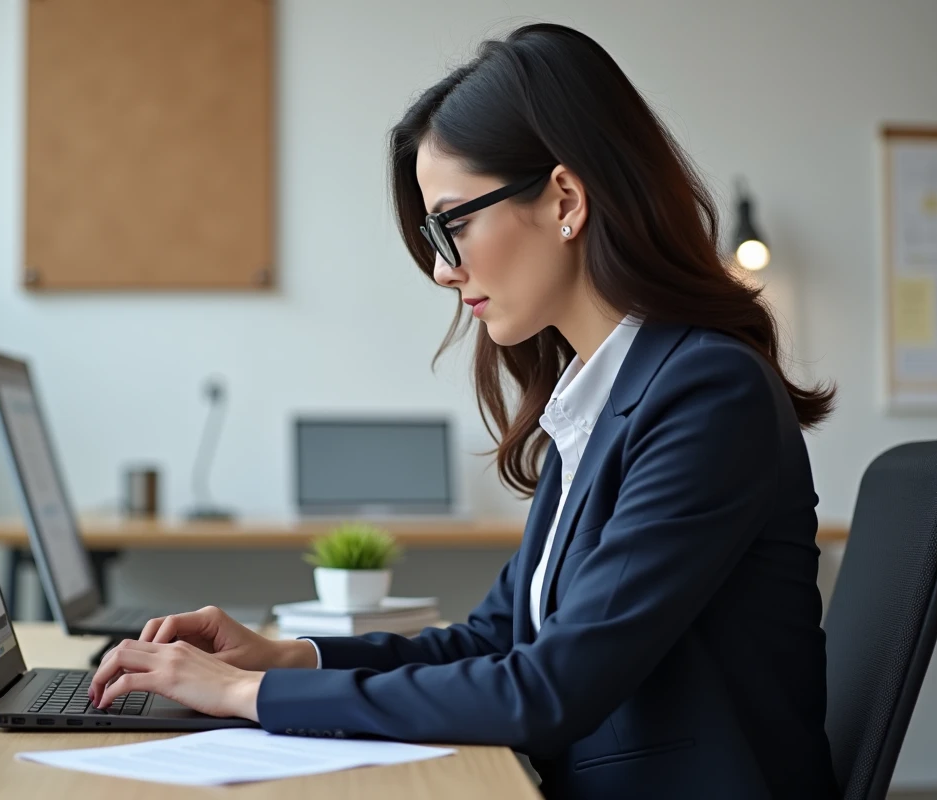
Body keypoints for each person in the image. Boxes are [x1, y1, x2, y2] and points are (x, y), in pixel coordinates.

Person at [87, 22, 839, 799]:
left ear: (566, 200)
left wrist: (244, 697)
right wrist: (284, 659)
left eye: (455, 225)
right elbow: (500, 638)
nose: (445, 271)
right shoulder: (602, 394)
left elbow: (549, 689)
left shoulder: (706, 392)